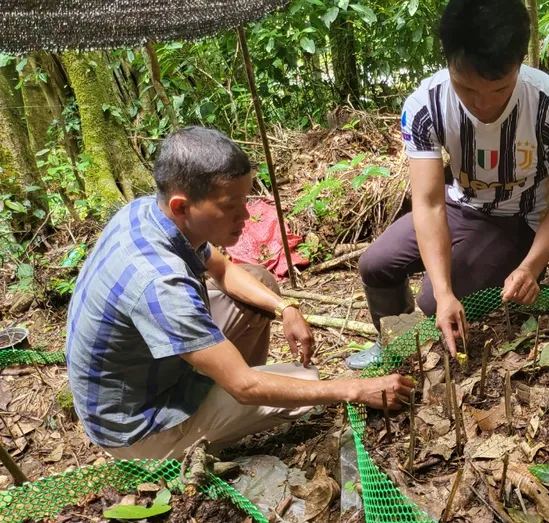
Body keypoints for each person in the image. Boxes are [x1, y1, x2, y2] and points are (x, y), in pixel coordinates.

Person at [66, 127, 414, 460]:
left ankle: (223, 388)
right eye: (231, 207)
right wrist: (354, 388)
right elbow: (245, 386)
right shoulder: (159, 282)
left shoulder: (149, 212)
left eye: (245, 201)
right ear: (182, 207)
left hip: (148, 374)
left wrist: (286, 308)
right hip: (140, 426)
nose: (246, 216)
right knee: (306, 384)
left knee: (258, 281)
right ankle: (193, 439)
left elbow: (223, 270)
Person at [347, 0, 549, 369]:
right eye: (466, 88)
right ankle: (398, 347)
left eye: (498, 90)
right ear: (448, 62)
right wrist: (444, 292)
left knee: (430, 302)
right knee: (375, 265)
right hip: (459, 203)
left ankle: (432, 343)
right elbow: (428, 203)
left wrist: (531, 266)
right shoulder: (426, 106)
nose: (482, 105)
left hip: (518, 218)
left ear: (520, 64)